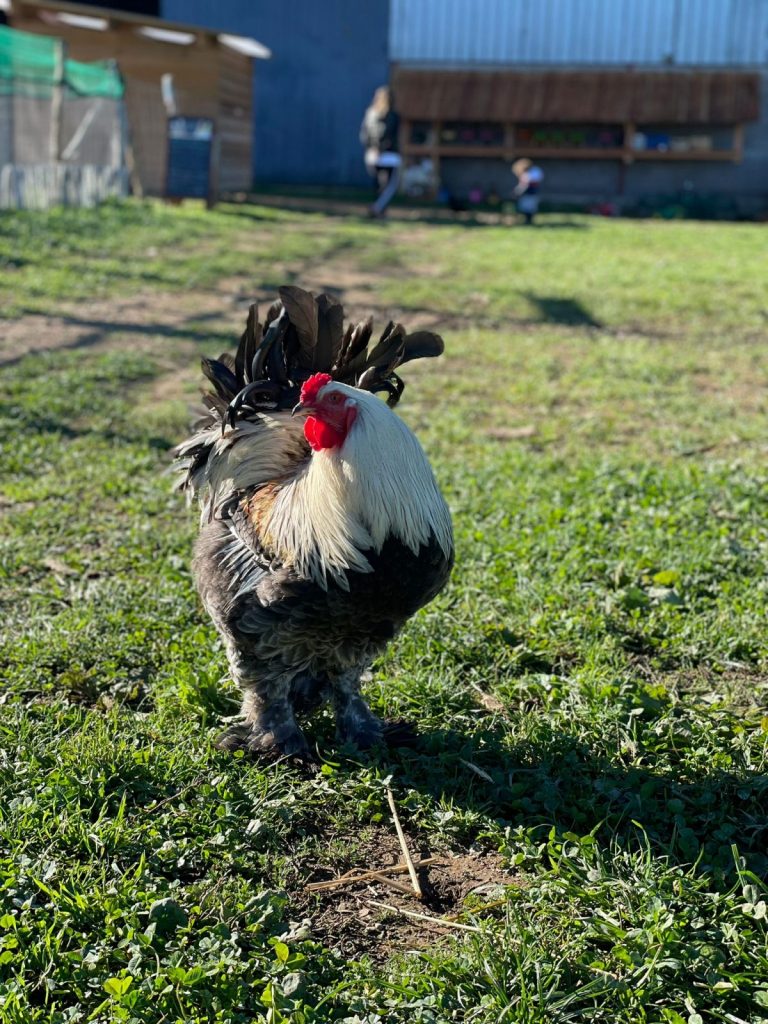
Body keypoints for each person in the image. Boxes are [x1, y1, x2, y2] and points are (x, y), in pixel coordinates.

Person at [360, 86, 401, 218]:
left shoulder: (369, 113)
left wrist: (371, 148)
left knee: (378, 184)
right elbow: (391, 136)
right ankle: (378, 208)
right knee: (390, 186)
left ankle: (378, 210)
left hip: (372, 155)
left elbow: (364, 135)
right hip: (388, 155)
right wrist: (380, 149)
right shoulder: (393, 116)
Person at [512, 158, 544, 225]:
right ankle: (527, 221)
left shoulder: (532, 172)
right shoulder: (527, 174)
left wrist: (518, 192)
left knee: (529, 209)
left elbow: (526, 184)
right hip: (528, 193)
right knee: (526, 209)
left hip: (530, 193)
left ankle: (529, 221)